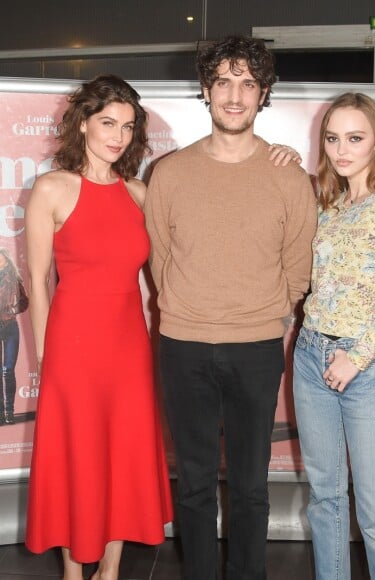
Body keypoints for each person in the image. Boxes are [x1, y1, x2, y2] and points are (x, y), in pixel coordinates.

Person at [144, 36, 317, 580]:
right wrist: (191, 307)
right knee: (193, 484)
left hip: (257, 348)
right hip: (183, 346)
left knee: (249, 486)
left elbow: (298, 266)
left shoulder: (289, 176)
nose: (234, 96)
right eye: (223, 82)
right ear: (205, 90)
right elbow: (159, 257)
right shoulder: (169, 173)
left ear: (263, 94)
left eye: (247, 84)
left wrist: (261, 312)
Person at [24, 74, 173, 580]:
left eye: (128, 127)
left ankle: (109, 572)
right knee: (79, 457)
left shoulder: (138, 193)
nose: (118, 135)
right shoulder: (51, 188)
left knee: (120, 455)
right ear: (83, 123)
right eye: (107, 122)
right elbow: (40, 284)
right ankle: (73, 571)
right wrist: (48, 358)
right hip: (72, 349)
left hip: (128, 347)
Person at [292, 92, 375, 580]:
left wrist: (357, 357)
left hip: (362, 367)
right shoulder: (328, 203)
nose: (341, 149)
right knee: (325, 498)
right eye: (332, 138)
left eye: (354, 138)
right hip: (309, 356)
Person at [0, 248, 29, 425]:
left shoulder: (14, 278)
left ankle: (9, 411)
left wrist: (13, 309)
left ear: (6, 259)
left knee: (8, 370)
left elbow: (24, 301)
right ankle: (1, 414)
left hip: (10, 325)